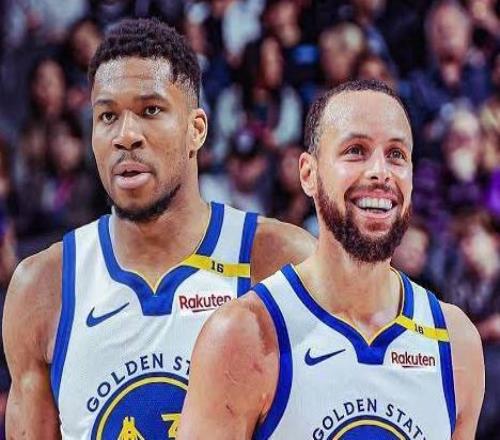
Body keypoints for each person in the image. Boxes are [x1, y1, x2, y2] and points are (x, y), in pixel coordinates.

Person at [3, 18, 315, 439]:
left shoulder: (281, 263)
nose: (126, 136)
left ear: (196, 130)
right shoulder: (42, 288)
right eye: (107, 116)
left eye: (150, 110)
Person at [179, 80, 485, 439]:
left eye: (396, 154)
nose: (380, 172)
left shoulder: (455, 342)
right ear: (308, 174)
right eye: (356, 151)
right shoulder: (242, 335)